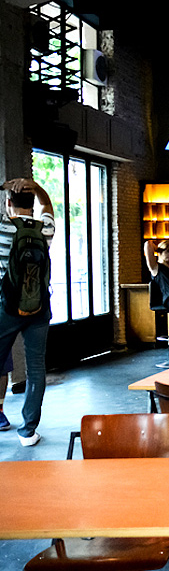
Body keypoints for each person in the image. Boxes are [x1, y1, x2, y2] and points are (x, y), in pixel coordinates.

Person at [0, 177, 55, 447]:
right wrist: (38, 188)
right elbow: (48, 206)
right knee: (36, 369)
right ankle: (28, 432)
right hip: (39, 310)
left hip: (6, 309)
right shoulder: (44, 229)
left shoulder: (3, 229)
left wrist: (4, 188)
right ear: (32, 204)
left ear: (8, 203)